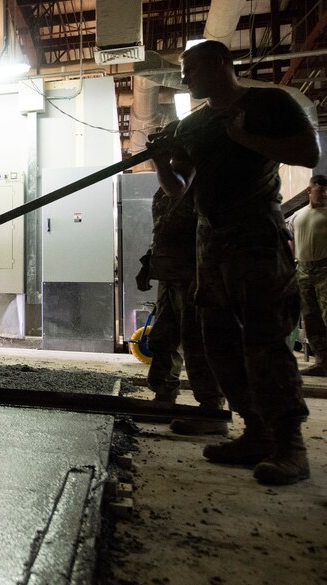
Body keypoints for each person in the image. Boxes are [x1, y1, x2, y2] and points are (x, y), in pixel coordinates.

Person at [150, 40, 320, 485]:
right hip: (211, 242)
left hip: (256, 237)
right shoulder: (194, 125)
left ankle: (290, 446)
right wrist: (159, 162)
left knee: (265, 341)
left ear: (221, 63)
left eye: (190, 68)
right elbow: (178, 190)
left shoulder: (268, 101)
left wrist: (245, 138)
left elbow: (309, 153)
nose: (184, 78)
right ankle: (255, 432)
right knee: (218, 341)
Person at [136, 155, 228, 435]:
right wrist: (149, 264)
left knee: (197, 343)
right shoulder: (165, 187)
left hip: (194, 277)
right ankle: (164, 397)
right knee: (163, 338)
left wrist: (209, 277)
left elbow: (209, 233)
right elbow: (162, 229)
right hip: (170, 276)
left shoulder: (200, 185)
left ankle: (211, 410)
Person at [290, 175, 327, 376]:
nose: (325, 194)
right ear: (309, 190)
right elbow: (291, 244)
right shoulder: (297, 216)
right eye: (320, 190)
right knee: (311, 318)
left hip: (324, 270)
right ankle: (323, 362)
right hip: (303, 270)